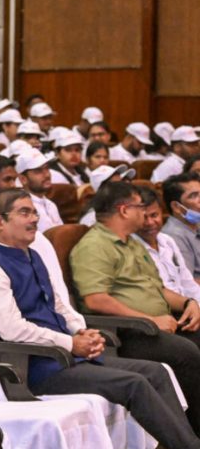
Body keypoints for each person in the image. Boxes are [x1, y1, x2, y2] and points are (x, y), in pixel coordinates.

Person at [0, 189, 200, 449]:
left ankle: (187, 445)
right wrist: (70, 343)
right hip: (37, 367)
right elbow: (13, 330)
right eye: (25, 212)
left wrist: (82, 331)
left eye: (34, 212)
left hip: (68, 357)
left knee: (156, 372)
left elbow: (59, 306)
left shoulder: (32, 255)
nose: (34, 218)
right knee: (134, 384)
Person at [71, 181, 200, 433]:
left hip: (159, 323)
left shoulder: (131, 242)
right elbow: (95, 299)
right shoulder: (94, 245)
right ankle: (193, 432)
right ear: (124, 210)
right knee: (187, 353)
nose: (145, 213)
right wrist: (149, 320)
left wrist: (189, 302)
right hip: (127, 333)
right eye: (140, 207)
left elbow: (158, 288)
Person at [136, 186, 200, 301]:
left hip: (189, 304)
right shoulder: (131, 247)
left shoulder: (167, 240)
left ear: (161, 212)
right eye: (143, 218)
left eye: (154, 215)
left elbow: (188, 283)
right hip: (169, 307)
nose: (150, 222)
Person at [162, 173, 200, 281]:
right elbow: (187, 283)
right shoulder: (173, 236)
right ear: (176, 207)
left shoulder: (196, 223)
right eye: (193, 196)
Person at [15, 148, 63, 232]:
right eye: (38, 171)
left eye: (47, 168)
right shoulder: (21, 209)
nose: (47, 175)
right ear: (23, 179)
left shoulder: (51, 205)